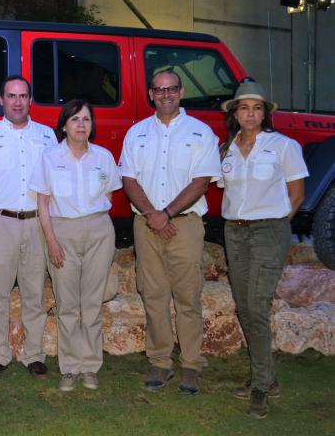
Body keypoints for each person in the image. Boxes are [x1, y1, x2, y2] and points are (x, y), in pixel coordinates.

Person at [120, 69, 221, 395]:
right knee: (154, 296)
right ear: (151, 94)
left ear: (181, 92)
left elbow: (202, 180)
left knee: (188, 297)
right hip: (146, 225)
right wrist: (152, 215)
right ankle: (160, 361)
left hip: (185, 224)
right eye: (159, 90)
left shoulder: (200, 133)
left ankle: (191, 365)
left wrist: (167, 214)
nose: (165, 94)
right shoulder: (136, 133)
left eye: (172, 89)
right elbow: (129, 179)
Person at [219, 79, 308, 419]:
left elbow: (297, 195)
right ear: (236, 114)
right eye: (244, 107)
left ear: (265, 114)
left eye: (257, 108)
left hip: (269, 231)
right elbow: (227, 191)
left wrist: (275, 223)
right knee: (244, 306)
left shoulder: (283, 146)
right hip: (235, 232)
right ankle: (266, 377)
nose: (250, 113)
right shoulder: (226, 148)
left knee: (257, 306)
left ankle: (259, 386)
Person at [0, 75, 57, 380]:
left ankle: (33, 354)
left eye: (23, 96)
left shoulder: (47, 136)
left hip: (36, 222)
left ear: (30, 100)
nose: (17, 101)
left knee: (34, 292)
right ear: (1, 100)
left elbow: (54, 184)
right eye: (11, 96)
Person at [30, 99, 121, 391]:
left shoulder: (103, 157)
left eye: (86, 119)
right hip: (62, 231)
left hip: (98, 230)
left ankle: (90, 367)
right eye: (75, 119)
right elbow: (42, 204)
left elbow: (110, 193)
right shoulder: (49, 157)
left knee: (91, 303)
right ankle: (70, 368)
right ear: (63, 125)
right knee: (68, 303)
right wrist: (52, 241)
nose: (81, 125)